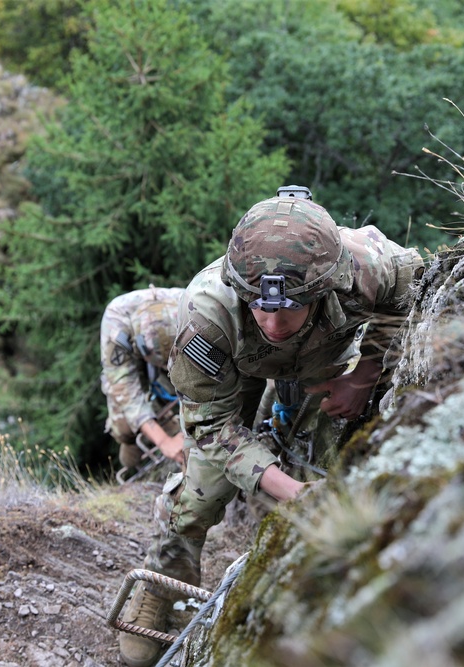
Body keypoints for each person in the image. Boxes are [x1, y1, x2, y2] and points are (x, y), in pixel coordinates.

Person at [117, 187, 424, 667]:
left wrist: (364, 377)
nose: (275, 323)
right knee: (199, 495)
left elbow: (411, 292)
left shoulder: (365, 265)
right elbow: (213, 426)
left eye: (290, 307)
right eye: (261, 306)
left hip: (324, 363)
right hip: (234, 369)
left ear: (323, 290)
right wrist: (286, 489)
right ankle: (161, 582)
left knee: (331, 461)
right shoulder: (207, 314)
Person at [100, 286, 187, 473]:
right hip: (130, 351)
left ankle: (177, 430)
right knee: (124, 426)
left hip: (177, 347)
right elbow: (125, 392)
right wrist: (165, 442)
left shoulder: (191, 304)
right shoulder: (115, 322)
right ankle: (133, 444)